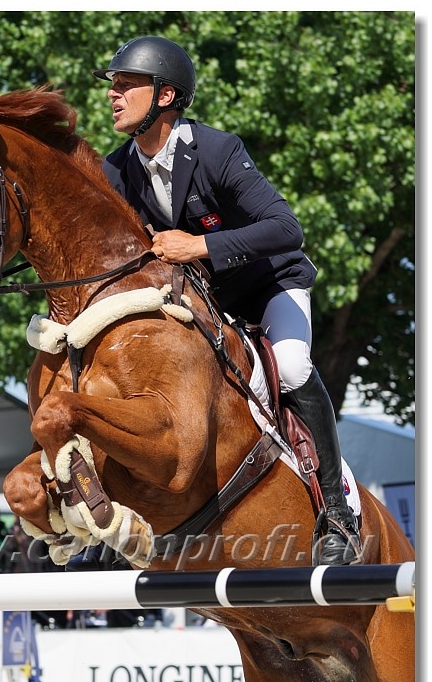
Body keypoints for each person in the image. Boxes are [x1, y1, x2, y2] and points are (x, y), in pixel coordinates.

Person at [92, 36, 361, 566]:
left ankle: (337, 513)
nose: (114, 94)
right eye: (114, 85)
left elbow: (287, 228)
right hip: (205, 305)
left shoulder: (217, 150)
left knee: (291, 364)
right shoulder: (116, 170)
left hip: (269, 288)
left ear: (165, 95)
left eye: (127, 84)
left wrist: (199, 245)